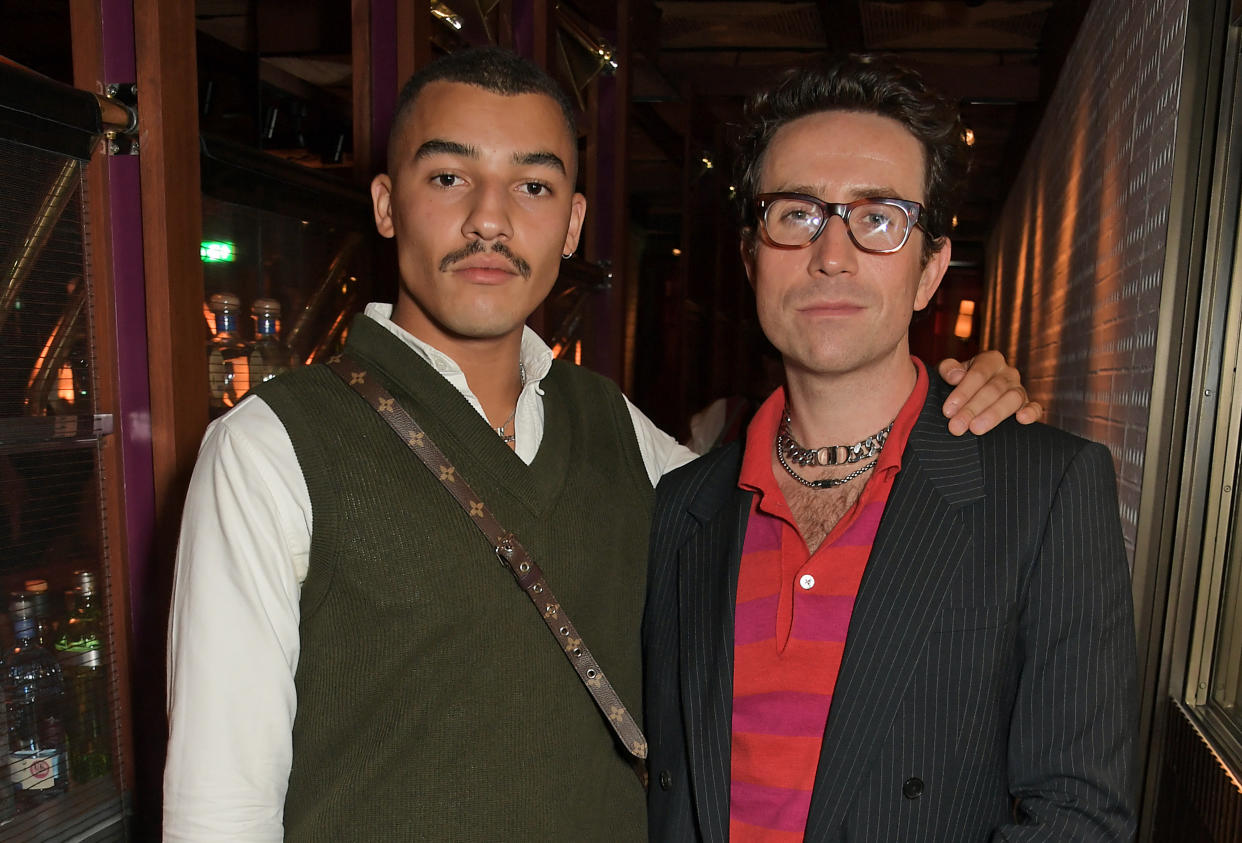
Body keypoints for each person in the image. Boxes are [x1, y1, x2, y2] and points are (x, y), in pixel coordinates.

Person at [163, 48, 1040, 841]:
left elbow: (807, 475)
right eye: (448, 179)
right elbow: (219, 808)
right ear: (388, 206)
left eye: (534, 187)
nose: (491, 221)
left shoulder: (616, 430)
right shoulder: (272, 446)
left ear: (574, 225)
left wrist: (955, 403)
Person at [643, 54, 1138, 842]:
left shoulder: (1046, 489)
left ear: (931, 268)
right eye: (796, 213)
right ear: (751, 255)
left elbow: (1077, 815)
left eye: (878, 218)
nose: (830, 253)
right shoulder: (682, 507)